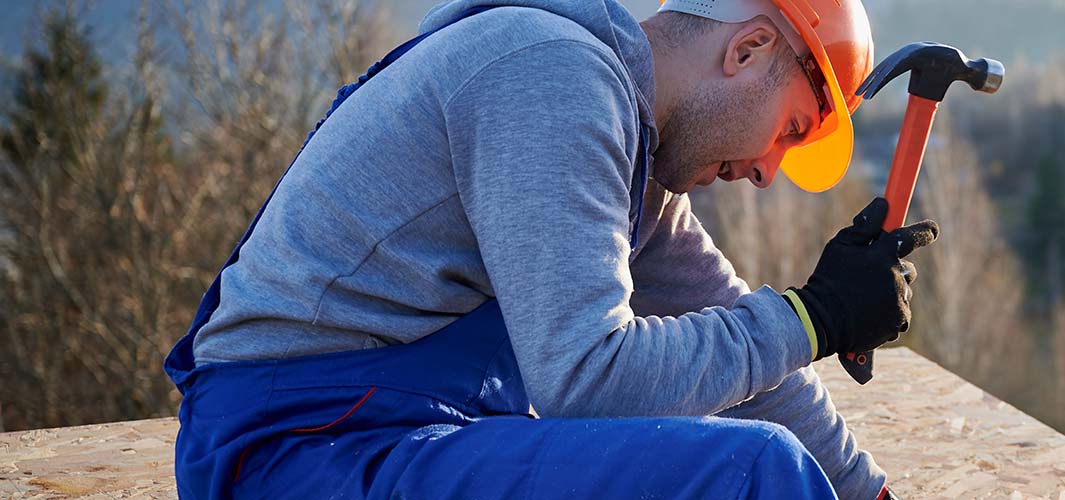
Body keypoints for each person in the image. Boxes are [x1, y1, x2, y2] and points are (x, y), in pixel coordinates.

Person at [162, 0, 934, 498]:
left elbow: (752, 368)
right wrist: (813, 317)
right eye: (789, 131)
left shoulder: (634, 160)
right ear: (750, 49)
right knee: (751, 473)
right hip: (297, 453)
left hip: (388, 434)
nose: (768, 171)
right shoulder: (552, 79)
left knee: (746, 443)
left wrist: (870, 495)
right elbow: (588, 378)